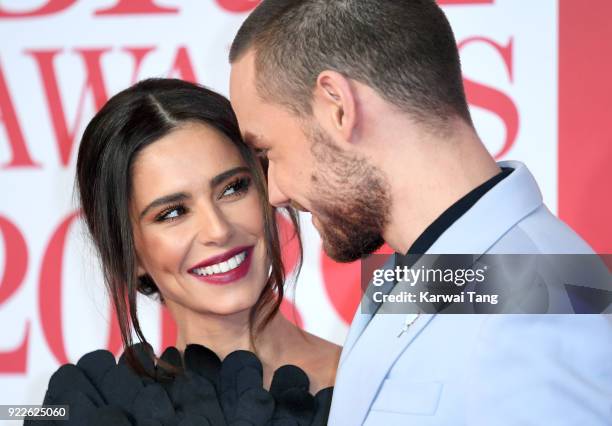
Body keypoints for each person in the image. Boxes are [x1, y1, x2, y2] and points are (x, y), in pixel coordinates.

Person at [228, 1, 612, 425]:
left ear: (337, 105)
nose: (276, 191)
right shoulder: (428, 267)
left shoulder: (542, 315)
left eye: (267, 151)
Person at [33, 78, 339, 425]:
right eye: (172, 213)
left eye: (233, 188)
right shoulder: (87, 410)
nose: (218, 230)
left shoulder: (379, 383)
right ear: (127, 253)